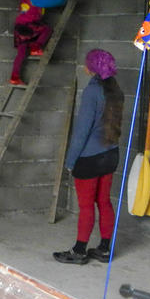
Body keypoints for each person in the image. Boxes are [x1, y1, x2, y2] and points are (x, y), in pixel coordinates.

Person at [53, 49, 124, 265]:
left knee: (86, 206)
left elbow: (82, 131)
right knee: (104, 202)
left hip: (90, 159)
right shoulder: (116, 90)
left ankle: (79, 251)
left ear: (92, 68)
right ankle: (104, 249)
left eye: (87, 63)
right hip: (111, 155)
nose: (84, 66)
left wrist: (70, 161)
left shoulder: (92, 91)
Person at [9, 0, 66, 85]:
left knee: (21, 53)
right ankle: (36, 47)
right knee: (46, 29)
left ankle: (14, 77)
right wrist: (64, 0)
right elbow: (48, 1)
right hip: (28, 25)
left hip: (20, 27)